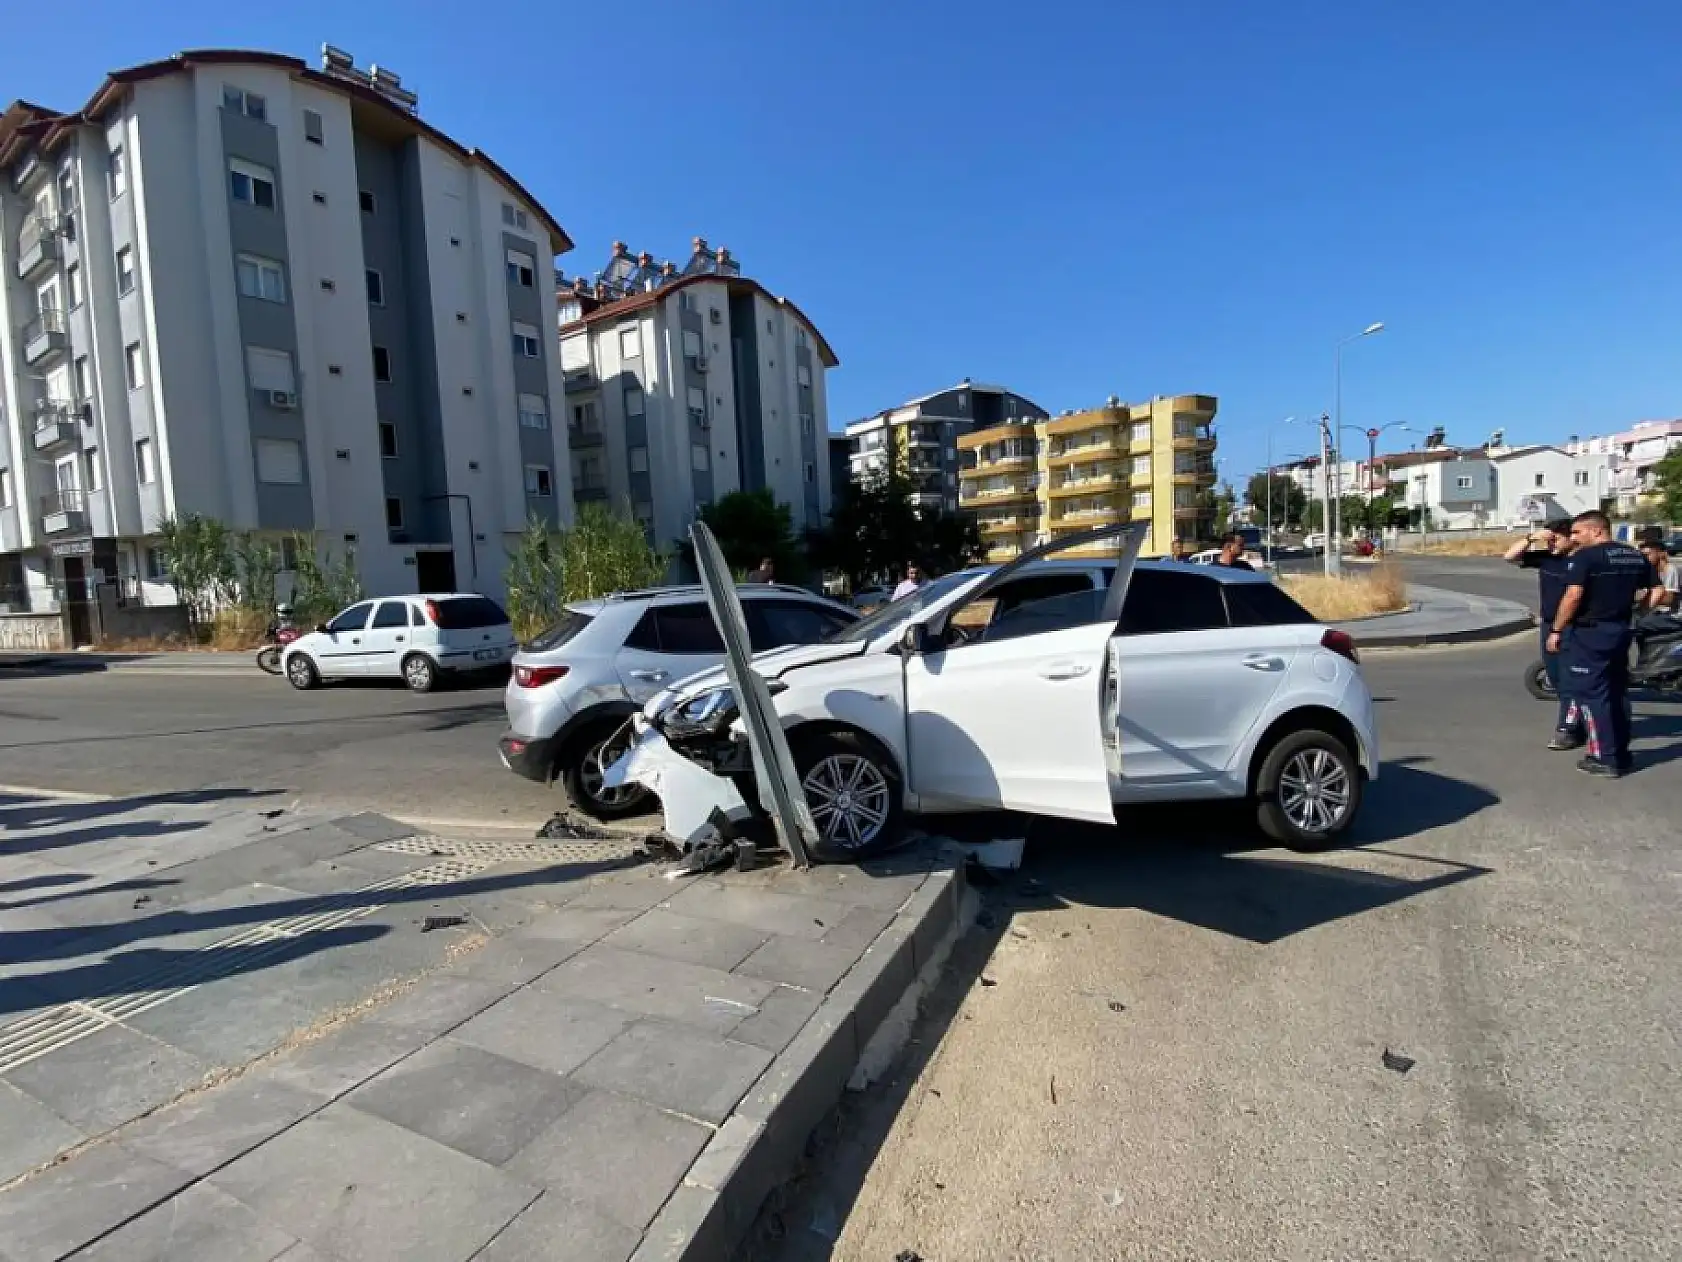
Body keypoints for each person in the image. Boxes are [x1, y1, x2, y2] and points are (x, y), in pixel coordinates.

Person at [1548, 510, 1656, 777]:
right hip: (1620, 630)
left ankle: (1603, 757)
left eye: (1577, 532)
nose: (1573, 538)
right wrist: (1638, 612)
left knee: (1590, 696)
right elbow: (1658, 592)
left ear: (1597, 530)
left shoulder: (1586, 557)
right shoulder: (1635, 555)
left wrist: (1556, 629)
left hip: (1589, 634)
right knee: (1616, 693)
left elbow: (1573, 596)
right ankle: (1621, 753)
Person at [1505, 518, 1583, 748]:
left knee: (1570, 679)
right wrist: (1532, 538)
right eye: (1549, 538)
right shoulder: (1548, 559)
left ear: (1571, 537)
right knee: (1555, 677)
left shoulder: (1583, 561)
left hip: (1575, 626)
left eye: (1556, 538)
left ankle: (1567, 729)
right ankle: (1579, 721)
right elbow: (1509, 557)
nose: (1551, 543)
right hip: (1549, 625)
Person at [1632, 527, 1681, 653]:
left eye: (1647, 555)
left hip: (1669, 615)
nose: (1644, 558)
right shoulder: (1646, 571)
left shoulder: (1670, 570)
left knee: (1637, 626)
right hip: (1651, 612)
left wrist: (1643, 596)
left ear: (1659, 553)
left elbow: (1669, 599)